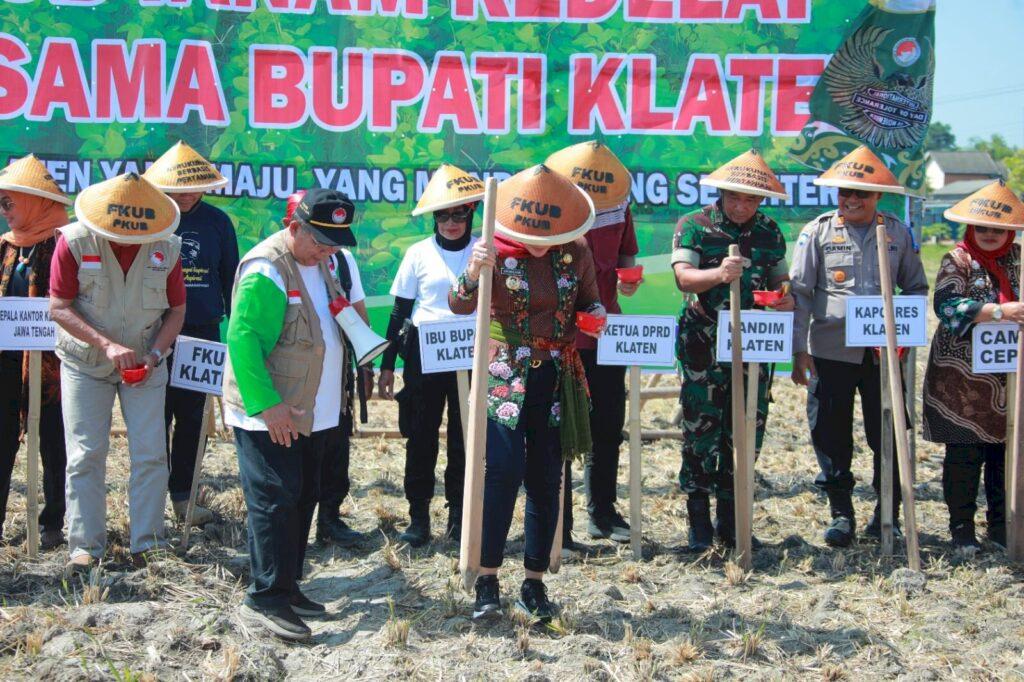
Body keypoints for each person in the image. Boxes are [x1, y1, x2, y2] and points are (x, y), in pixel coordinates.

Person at [450, 164, 603, 623]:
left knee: (545, 477)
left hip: (555, 376)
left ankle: (534, 583)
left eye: (548, 232)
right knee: (501, 473)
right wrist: (474, 273)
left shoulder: (575, 251)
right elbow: (458, 303)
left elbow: (589, 301)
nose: (539, 240)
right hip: (503, 373)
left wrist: (596, 315)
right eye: (531, 232)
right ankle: (487, 580)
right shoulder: (491, 249)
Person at [223, 188, 360, 641]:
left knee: (303, 496)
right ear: (294, 227)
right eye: (320, 239)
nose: (328, 249)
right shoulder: (268, 268)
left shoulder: (321, 262)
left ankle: (289, 585)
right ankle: (265, 598)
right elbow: (243, 341)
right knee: (276, 499)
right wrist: (268, 407)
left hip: (313, 410)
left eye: (335, 241)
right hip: (273, 412)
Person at [789, 145, 928, 548]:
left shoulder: (897, 232)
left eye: (861, 194)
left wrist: (902, 331)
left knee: (888, 431)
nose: (851, 200)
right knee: (830, 433)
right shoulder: (817, 231)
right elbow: (799, 294)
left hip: (883, 356)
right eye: (844, 193)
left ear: (877, 196)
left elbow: (916, 287)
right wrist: (799, 352)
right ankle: (841, 514)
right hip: (830, 351)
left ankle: (888, 513)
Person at [50, 173, 185, 576]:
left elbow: (176, 310)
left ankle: (149, 543)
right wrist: (106, 345)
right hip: (85, 365)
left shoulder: (168, 246)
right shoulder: (73, 241)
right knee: (86, 455)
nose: (126, 240)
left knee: (150, 454)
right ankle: (85, 547)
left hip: (147, 364)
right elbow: (59, 306)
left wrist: (157, 353)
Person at [670, 150, 793, 552]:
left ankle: (734, 521)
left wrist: (784, 298)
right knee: (701, 432)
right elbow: (684, 279)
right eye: (734, 198)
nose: (741, 206)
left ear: (761, 201)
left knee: (745, 431)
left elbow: (780, 278)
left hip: (752, 346)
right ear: (721, 194)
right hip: (703, 347)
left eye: (751, 200)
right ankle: (699, 524)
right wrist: (719, 274)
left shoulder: (770, 232)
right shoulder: (694, 226)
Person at [379, 164, 482, 547]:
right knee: (420, 435)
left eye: (459, 213)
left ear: (472, 212)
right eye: (443, 214)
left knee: (464, 437)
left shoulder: (483, 250)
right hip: (425, 349)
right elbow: (399, 311)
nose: (451, 222)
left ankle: (459, 515)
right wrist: (388, 364)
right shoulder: (418, 253)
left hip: (470, 351)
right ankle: (418, 515)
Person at [923, 180, 1024, 552]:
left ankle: (1000, 527)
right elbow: (947, 307)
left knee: (1006, 456)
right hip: (961, 379)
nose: (989, 235)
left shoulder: (1020, 260)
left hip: (1009, 374)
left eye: (997, 229)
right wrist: (999, 311)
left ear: (1009, 230)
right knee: (964, 454)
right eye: (982, 227)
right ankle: (962, 529)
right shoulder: (957, 259)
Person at [546, 142, 638, 547]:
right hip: (559, 333)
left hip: (607, 332)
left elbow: (627, 264)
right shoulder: (551, 206)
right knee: (560, 427)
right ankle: (557, 523)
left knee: (608, 425)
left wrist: (630, 281)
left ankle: (601, 511)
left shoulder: (620, 204)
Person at [144, 141, 238, 527]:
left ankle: (183, 496)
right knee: (153, 417)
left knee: (193, 418)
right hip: (153, 331)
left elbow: (232, 279)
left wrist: (237, 336)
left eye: (194, 188)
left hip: (202, 331)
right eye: (178, 188)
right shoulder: (151, 218)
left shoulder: (218, 223)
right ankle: (149, 503)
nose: (185, 195)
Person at [280, 191, 374, 547]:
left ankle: (330, 518)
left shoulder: (344, 259)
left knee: (336, 444)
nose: (326, 247)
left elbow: (358, 305)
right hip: (298, 371)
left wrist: (367, 360)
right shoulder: (281, 262)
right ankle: (293, 526)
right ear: (295, 228)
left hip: (337, 370)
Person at [0, 155, 71, 549]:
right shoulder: (5, 247)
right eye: (2, 204)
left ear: (32, 201)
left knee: (55, 444)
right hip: (7, 361)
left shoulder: (66, 243)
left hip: (55, 365)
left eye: (10, 203)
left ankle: (53, 523)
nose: (5, 213)